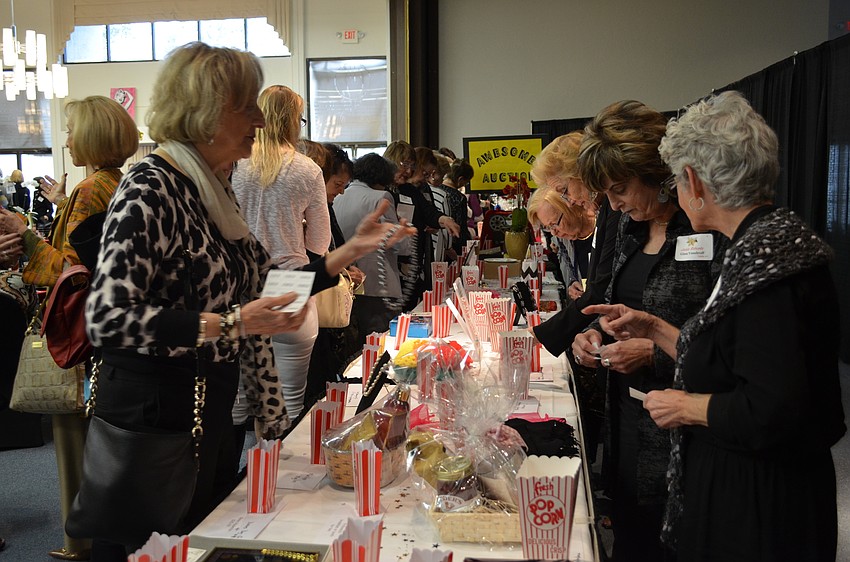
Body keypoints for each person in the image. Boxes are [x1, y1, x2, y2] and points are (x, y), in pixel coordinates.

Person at [82, 43, 413, 560]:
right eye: (245, 105)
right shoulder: (150, 187)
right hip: (156, 417)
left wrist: (345, 253)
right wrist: (227, 324)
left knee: (204, 537)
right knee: (145, 546)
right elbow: (108, 319)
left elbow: (262, 289)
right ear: (205, 112)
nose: (260, 119)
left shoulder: (212, 187)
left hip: (205, 404)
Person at [585, 91, 845, 562]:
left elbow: (774, 408)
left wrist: (687, 406)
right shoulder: (760, 245)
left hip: (759, 502)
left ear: (691, 180)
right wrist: (658, 329)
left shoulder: (765, 260)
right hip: (744, 487)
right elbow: (731, 352)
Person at [569, 100, 726, 562]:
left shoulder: (705, 228)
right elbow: (624, 307)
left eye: (620, 188)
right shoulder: (630, 228)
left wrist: (653, 352)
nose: (613, 204)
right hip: (626, 421)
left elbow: (729, 343)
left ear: (656, 172)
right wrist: (594, 333)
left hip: (686, 432)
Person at [0, 95, 139, 562]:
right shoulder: (117, 182)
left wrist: (27, 239)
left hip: (78, 338)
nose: (66, 140)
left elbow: (73, 272)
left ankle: (78, 540)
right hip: (108, 337)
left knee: (75, 441)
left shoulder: (90, 189)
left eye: (72, 131)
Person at [232, 84, 331, 421]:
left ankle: (235, 473)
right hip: (291, 284)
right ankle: (277, 473)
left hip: (243, 288)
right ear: (292, 121)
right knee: (289, 405)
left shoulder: (235, 166)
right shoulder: (307, 170)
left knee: (237, 405)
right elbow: (320, 241)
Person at [304, 143, 361, 405]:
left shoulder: (324, 208)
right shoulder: (306, 211)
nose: (340, 192)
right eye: (337, 185)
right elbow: (318, 256)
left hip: (319, 307)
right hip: (310, 308)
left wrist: (345, 266)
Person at [333, 153, 409, 346]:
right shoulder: (381, 197)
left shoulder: (339, 196)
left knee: (354, 346)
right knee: (381, 346)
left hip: (347, 280)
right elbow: (400, 246)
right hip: (378, 282)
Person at [384, 141, 459, 310]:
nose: (409, 171)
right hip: (388, 265)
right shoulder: (381, 191)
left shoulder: (410, 190)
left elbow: (428, 212)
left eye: (412, 165)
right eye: (405, 165)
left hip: (411, 261)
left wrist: (444, 220)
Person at [526, 185, 595, 295]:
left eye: (554, 224)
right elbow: (570, 269)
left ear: (569, 206)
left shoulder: (606, 226)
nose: (554, 232)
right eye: (548, 227)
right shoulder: (563, 240)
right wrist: (572, 283)